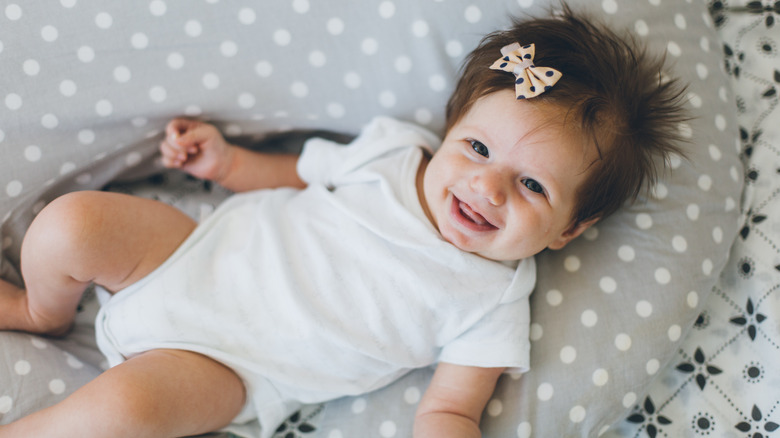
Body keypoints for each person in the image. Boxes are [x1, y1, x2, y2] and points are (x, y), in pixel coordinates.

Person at [0, 4, 687, 438]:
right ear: (450, 131)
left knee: (122, 417)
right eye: (477, 148)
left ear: (567, 230)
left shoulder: (495, 297)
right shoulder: (391, 152)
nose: (486, 186)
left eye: (532, 186)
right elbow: (293, 172)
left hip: (228, 366)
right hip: (188, 254)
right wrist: (226, 161)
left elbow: (451, 409)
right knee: (70, 224)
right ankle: (41, 310)